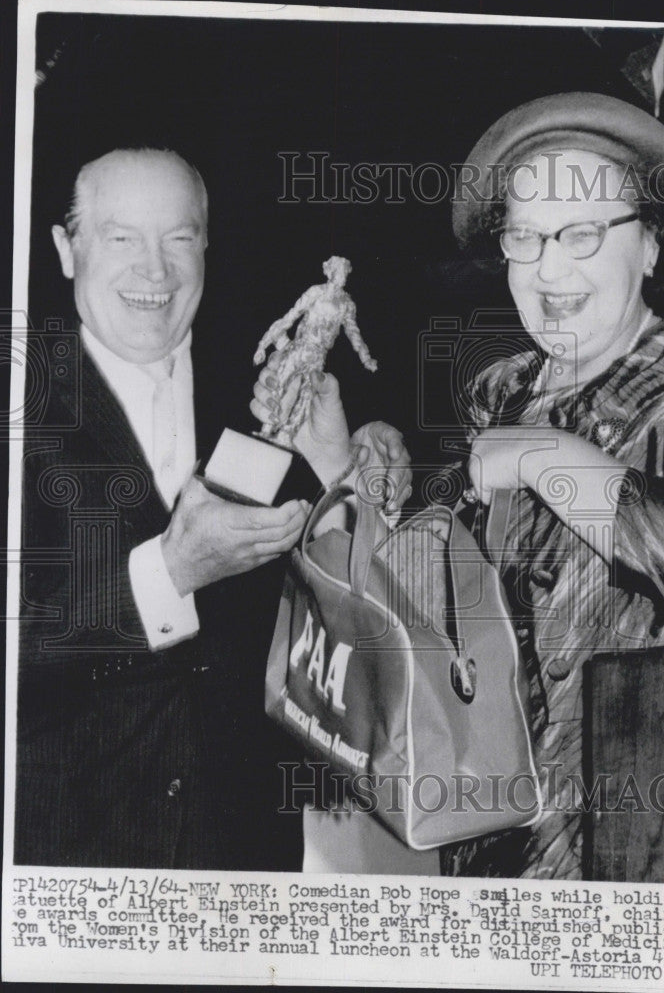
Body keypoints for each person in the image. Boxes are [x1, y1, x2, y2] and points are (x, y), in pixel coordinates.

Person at [15, 147, 410, 869]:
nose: (155, 271)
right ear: (66, 250)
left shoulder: (268, 391)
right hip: (67, 862)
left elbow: (354, 633)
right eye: (121, 238)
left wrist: (337, 477)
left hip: (244, 857)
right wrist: (167, 573)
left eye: (179, 238)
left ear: (206, 245)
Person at [441, 93, 664, 879]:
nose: (548, 268)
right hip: (488, 844)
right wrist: (340, 462)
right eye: (524, 236)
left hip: (648, 852)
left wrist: (544, 458)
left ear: (651, 246)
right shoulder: (502, 391)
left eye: (584, 232)